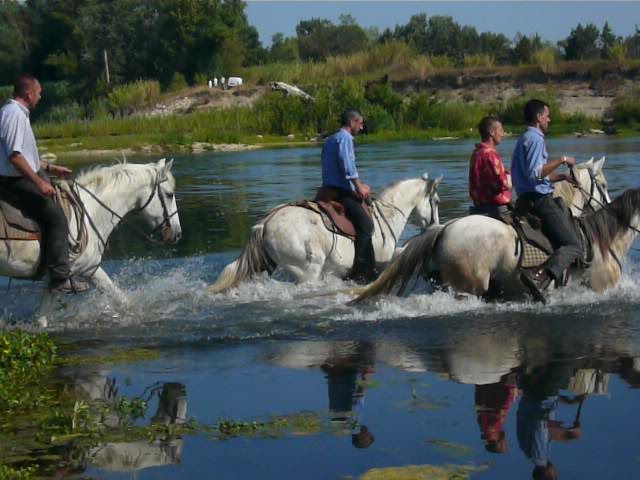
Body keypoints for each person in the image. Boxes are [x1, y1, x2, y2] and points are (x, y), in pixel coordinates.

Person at [0, 74, 88, 293]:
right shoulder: (14, 115)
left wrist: (50, 168)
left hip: (16, 176)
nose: (40, 96)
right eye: (39, 93)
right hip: (15, 181)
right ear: (28, 93)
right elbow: (15, 157)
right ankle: (59, 278)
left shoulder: (15, 113)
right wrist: (39, 183)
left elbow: (23, 155)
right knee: (56, 217)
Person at [511, 99, 581, 302]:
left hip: (525, 198)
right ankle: (540, 277)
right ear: (539, 117)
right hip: (539, 201)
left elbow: (538, 175)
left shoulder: (524, 137)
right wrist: (562, 160)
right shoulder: (535, 139)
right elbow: (535, 174)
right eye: (547, 115)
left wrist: (563, 177)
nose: (549, 119)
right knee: (573, 245)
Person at [321, 110, 375, 283]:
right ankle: (358, 270)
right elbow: (347, 166)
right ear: (352, 123)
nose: (362, 126)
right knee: (366, 225)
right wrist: (359, 186)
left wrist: (359, 184)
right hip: (340, 191)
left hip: (327, 189)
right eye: (360, 123)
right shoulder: (345, 139)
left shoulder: (331, 139)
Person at [469, 116, 512, 217]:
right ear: (492, 132)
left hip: (478, 206)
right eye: (501, 130)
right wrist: (510, 177)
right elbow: (503, 184)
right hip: (495, 207)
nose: (502, 134)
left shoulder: (476, 153)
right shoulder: (491, 154)